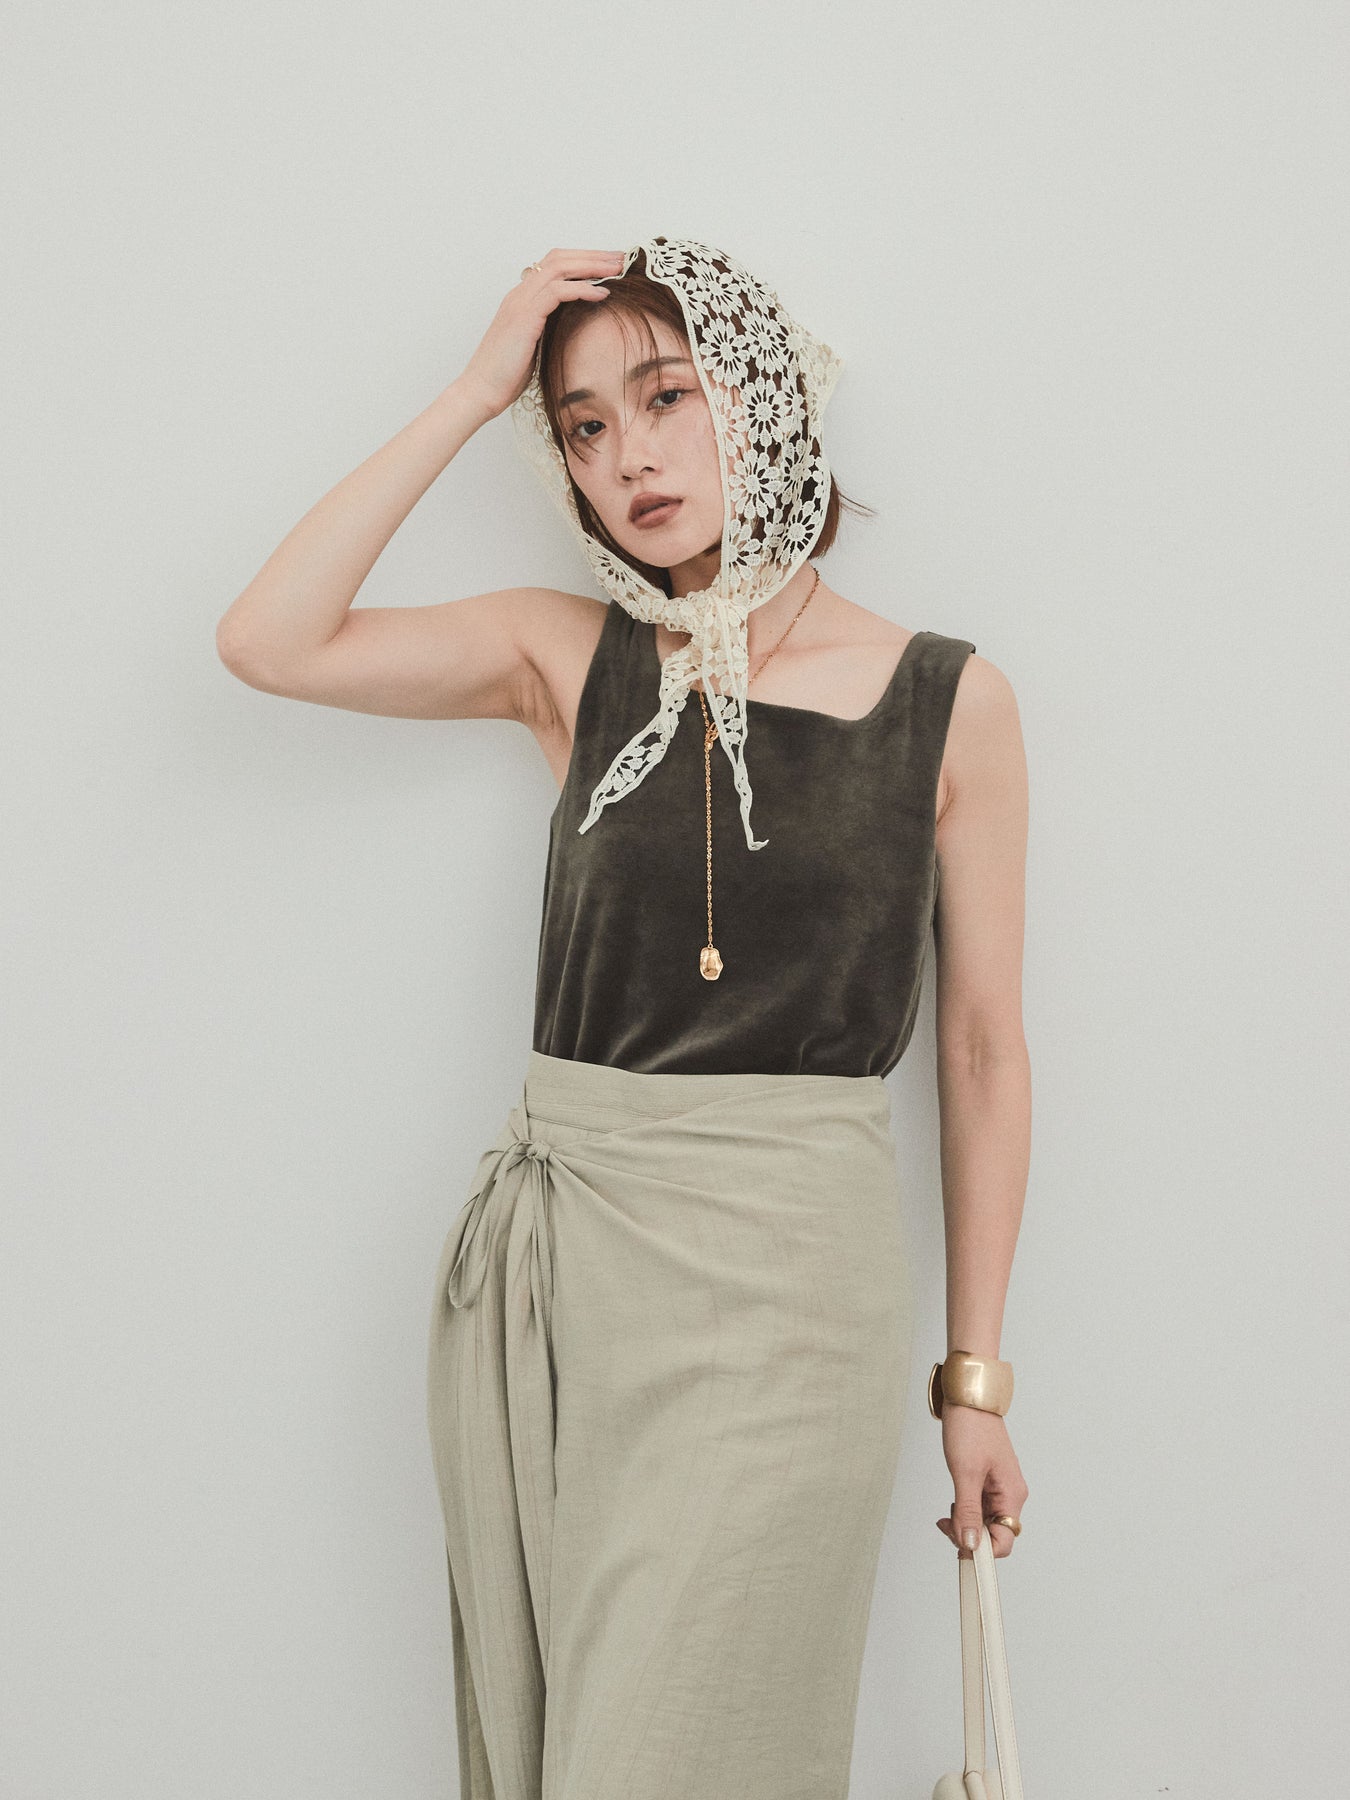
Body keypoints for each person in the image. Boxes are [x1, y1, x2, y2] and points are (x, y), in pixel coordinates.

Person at [216, 237, 1031, 1800]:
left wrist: (971, 1382)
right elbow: (270, 641)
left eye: (664, 397)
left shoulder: (949, 701)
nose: (628, 457)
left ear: (764, 401)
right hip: (571, 1284)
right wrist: (476, 389)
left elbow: (984, 1053)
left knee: (680, 1749)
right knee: (581, 1745)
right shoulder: (568, 656)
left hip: (794, 1302)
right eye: (581, 427)